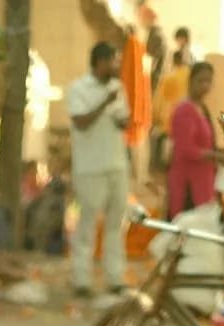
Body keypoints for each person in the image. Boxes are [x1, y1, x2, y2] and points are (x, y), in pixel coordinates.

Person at [67, 42, 131, 298]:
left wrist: (120, 118)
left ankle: (115, 277)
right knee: (87, 223)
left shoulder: (117, 88)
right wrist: (105, 102)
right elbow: (80, 122)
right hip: (90, 167)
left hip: (116, 164)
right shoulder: (78, 89)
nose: (116, 66)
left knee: (116, 223)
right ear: (99, 62)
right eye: (113, 61)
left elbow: (123, 120)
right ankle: (81, 279)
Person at [168, 61, 224, 218]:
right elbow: (187, 149)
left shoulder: (202, 107)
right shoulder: (184, 110)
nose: (205, 86)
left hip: (204, 180)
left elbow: (206, 142)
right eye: (201, 81)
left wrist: (220, 152)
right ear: (191, 81)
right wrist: (216, 155)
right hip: (187, 182)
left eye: (208, 81)